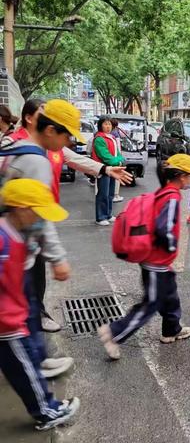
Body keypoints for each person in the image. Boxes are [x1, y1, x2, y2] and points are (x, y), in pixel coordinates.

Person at [7, 99, 132, 334]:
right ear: (32, 119)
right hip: (23, 230)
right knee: (21, 287)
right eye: (68, 136)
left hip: (25, 230)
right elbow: (36, 215)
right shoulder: (31, 156)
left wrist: (104, 169)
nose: (70, 142)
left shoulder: (45, 146)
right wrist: (58, 257)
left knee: (28, 281)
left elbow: (75, 159)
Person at [98, 154, 190, 359]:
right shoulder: (172, 197)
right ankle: (114, 333)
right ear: (180, 176)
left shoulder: (164, 192)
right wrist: (171, 246)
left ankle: (172, 329)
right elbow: (164, 228)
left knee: (170, 296)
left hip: (156, 263)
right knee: (150, 304)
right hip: (157, 262)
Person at [0, 178, 80, 431]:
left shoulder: (19, 232)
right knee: (24, 369)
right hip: (6, 322)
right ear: (21, 209)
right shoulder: (3, 239)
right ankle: (46, 411)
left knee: (25, 363)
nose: (41, 220)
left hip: (14, 313)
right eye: (38, 213)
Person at [91, 116, 125, 226]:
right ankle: (100, 217)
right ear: (100, 125)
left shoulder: (112, 138)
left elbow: (118, 154)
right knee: (103, 194)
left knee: (110, 193)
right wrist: (118, 161)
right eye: (105, 124)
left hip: (112, 169)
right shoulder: (99, 139)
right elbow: (106, 157)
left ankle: (108, 214)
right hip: (103, 170)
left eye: (109, 124)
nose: (108, 126)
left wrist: (120, 160)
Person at [111, 119, 124, 203]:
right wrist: (120, 158)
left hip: (109, 158)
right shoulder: (115, 133)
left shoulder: (107, 133)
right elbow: (118, 147)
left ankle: (111, 195)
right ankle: (116, 195)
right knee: (116, 176)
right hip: (115, 158)